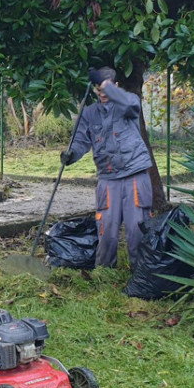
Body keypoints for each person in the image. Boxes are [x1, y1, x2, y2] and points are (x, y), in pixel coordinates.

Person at [61, 67, 153, 268]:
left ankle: (141, 273)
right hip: (108, 178)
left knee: (137, 228)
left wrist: (107, 87)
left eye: (107, 89)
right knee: (106, 228)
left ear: (116, 86)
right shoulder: (89, 113)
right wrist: (71, 155)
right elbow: (80, 141)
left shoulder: (129, 103)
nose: (102, 93)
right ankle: (105, 272)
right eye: (99, 89)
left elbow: (130, 103)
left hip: (134, 175)